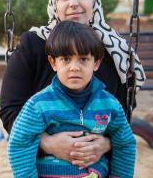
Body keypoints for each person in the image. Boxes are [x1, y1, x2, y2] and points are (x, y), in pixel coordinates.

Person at [0, 0, 145, 169]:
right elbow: (10, 109)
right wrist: (47, 143)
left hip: (96, 167)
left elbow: (122, 115)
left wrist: (106, 144)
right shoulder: (33, 45)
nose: (73, 3)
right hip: (44, 167)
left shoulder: (116, 52)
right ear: (54, 3)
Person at [8, 21, 136, 178]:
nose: (74, 67)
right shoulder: (39, 104)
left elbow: (125, 143)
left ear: (96, 63)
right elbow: (20, 142)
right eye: (66, 59)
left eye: (83, 59)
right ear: (53, 63)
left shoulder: (110, 105)